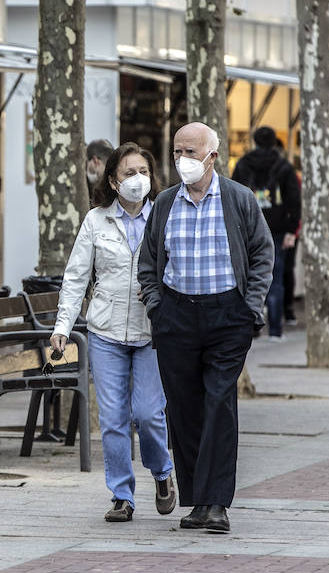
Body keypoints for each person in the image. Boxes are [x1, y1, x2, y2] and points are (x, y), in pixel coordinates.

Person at [138, 121, 273, 535]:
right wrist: (157, 307)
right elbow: (147, 262)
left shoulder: (239, 199)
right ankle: (197, 502)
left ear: (212, 156)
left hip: (227, 315)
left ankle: (218, 503)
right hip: (176, 316)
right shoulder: (163, 203)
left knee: (218, 402)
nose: (183, 160)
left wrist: (250, 309)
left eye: (191, 152)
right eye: (177, 152)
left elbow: (262, 252)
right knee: (184, 408)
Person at [50, 142, 176, 523]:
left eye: (143, 172)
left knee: (149, 413)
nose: (137, 180)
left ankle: (162, 472)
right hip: (105, 331)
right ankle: (122, 495)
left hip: (152, 332)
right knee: (113, 419)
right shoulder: (96, 220)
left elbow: (180, 268)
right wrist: (62, 327)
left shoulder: (166, 216)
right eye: (128, 173)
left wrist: (163, 288)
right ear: (113, 181)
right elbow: (75, 278)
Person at [231, 126, 299, 341]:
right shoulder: (284, 167)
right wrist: (291, 229)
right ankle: (276, 330)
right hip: (277, 230)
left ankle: (251, 327)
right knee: (275, 279)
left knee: (246, 278)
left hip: (247, 229)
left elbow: (232, 194)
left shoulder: (243, 164)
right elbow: (294, 200)